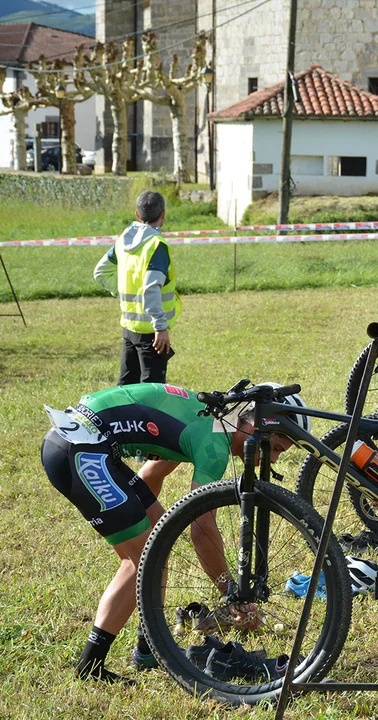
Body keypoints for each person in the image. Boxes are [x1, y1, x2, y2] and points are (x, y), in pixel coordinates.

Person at [41, 382, 307, 682]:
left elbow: (150, 474)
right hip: (80, 451)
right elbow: (201, 528)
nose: (273, 459)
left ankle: (148, 647)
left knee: (157, 545)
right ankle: (90, 665)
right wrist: (231, 594)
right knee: (142, 561)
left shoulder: (207, 416)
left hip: (82, 443)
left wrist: (138, 523)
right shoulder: (214, 444)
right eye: (276, 448)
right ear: (255, 427)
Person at [94, 190, 180, 385]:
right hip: (152, 332)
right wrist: (160, 327)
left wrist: (122, 292)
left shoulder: (123, 240)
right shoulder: (156, 245)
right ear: (163, 214)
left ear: (137, 214)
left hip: (129, 327)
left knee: (126, 386)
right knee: (152, 389)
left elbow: (100, 272)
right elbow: (151, 289)